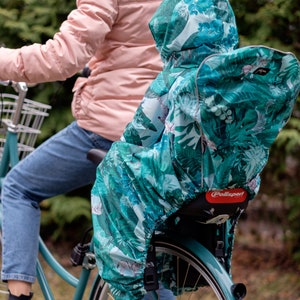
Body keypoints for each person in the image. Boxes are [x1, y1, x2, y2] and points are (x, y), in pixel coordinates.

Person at [91, 0, 300, 299]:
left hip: (182, 183)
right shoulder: (238, 78)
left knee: (116, 166)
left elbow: (138, 135)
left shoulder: (174, 78)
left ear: (172, 31)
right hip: (238, 184)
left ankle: (126, 281)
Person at [0, 0, 163, 298]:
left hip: (112, 128)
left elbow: (62, 58)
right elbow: (145, 49)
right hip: (165, 130)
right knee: (145, 257)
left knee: (17, 188)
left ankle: (17, 295)